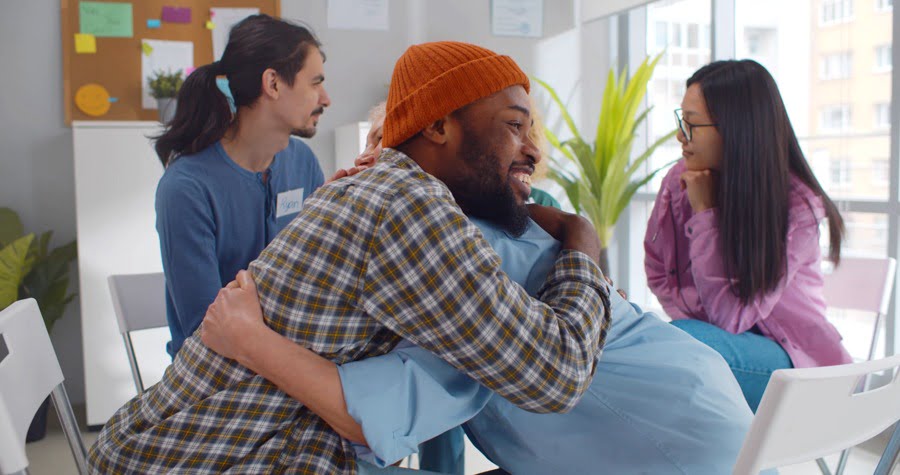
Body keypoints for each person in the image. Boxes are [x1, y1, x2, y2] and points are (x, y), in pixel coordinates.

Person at [88, 41, 611, 474]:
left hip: (213, 447)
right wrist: (583, 242)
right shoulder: (408, 208)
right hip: (207, 460)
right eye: (514, 126)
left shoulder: (386, 190)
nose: (533, 150)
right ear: (437, 127)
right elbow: (556, 374)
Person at [200, 100, 755, 475]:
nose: (367, 177)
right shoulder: (512, 235)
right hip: (719, 430)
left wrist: (249, 338)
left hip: (668, 453)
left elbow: (373, 411)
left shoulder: (462, 256)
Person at [644, 59, 853, 412]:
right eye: (682, 121)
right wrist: (705, 319)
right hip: (716, 343)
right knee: (678, 347)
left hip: (795, 360)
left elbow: (730, 317)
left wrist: (706, 213)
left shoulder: (797, 207)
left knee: (685, 349)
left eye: (692, 125)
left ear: (735, 128)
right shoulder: (678, 182)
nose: (681, 136)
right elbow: (661, 273)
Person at [154, 14, 330, 357]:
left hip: (289, 355)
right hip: (217, 374)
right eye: (315, 82)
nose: (325, 98)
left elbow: (318, 278)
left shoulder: (303, 163)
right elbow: (203, 329)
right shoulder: (186, 188)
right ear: (273, 84)